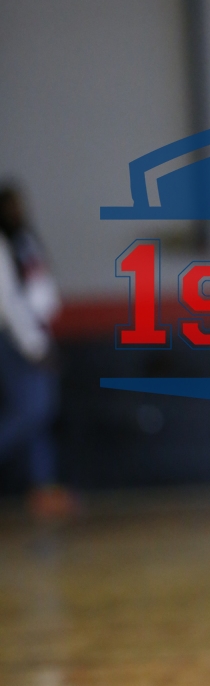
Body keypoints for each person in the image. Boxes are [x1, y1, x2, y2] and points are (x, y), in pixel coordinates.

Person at [0, 184, 77, 519]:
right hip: (14, 339)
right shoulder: (2, 244)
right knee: (29, 411)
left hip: (38, 334)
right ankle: (40, 483)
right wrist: (33, 346)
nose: (17, 211)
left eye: (20, 205)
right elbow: (8, 303)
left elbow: (40, 288)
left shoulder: (25, 240)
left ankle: (41, 487)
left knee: (41, 415)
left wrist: (43, 337)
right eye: (10, 206)